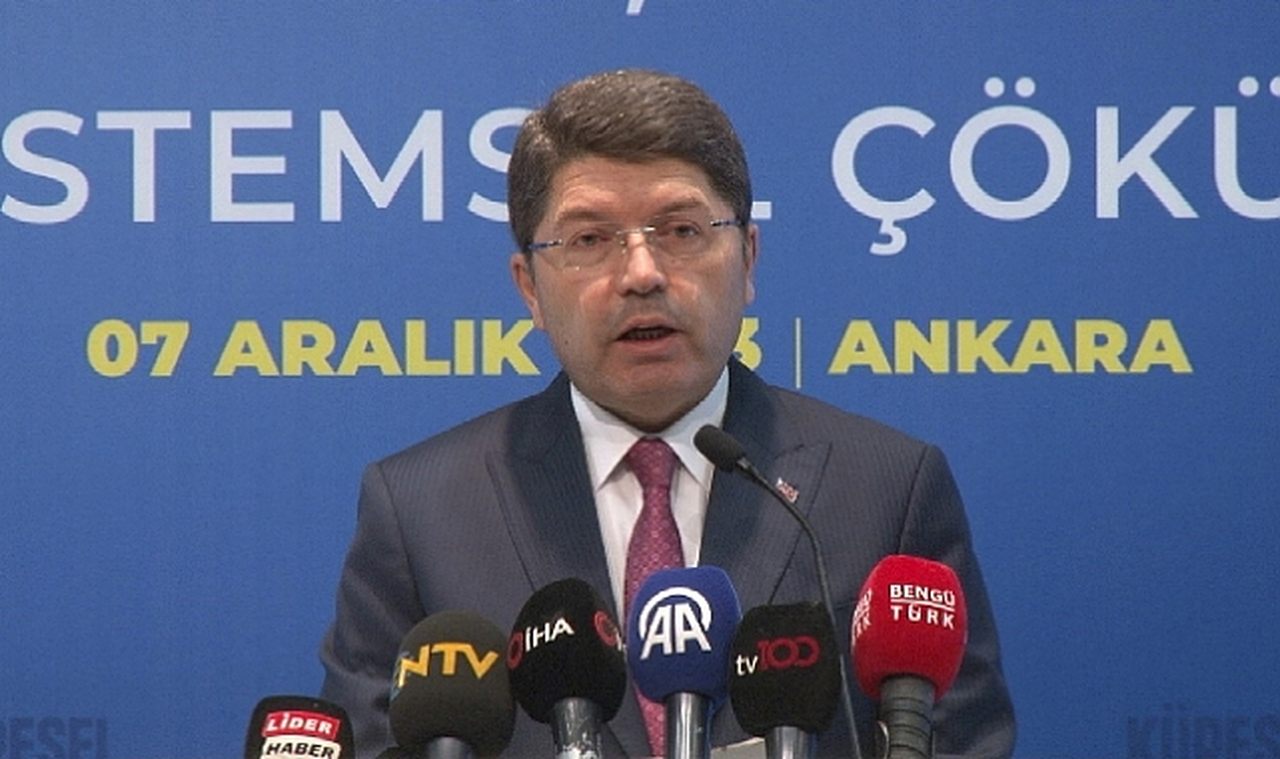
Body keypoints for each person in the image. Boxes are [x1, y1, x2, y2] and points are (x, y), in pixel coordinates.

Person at [318, 68, 1015, 758]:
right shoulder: (421, 512)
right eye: (589, 240)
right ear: (529, 287)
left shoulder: (889, 488)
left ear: (747, 258)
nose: (642, 273)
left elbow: (959, 743)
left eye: (681, 230)